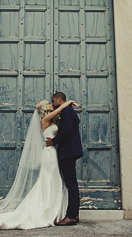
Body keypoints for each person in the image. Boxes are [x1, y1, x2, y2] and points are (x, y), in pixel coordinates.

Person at [0, 97, 80, 231]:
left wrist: (68, 108)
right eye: (49, 104)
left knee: (55, 180)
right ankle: (49, 211)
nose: (51, 105)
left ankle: (57, 210)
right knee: (50, 179)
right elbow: (61, 109)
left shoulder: (53, 119)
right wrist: (68, 103)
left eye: (52, 102)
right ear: (45, 108)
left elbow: (66, 123)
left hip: (55, 153)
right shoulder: (45, 119)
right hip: (49, 154)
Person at [46, 92, 83, 226]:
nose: (53, 104)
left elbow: (67, 130)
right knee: (72, 183)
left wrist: (53, 141)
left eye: (53, 101)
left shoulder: (66, 111)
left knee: (71, 184)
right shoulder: (69, 110)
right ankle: (74, 214)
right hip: (70, 151)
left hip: (68, 152)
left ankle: (71, 216)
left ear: (59, 99)